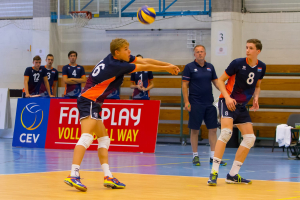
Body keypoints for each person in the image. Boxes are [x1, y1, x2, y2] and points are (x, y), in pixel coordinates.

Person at [64, 38, 180, 192]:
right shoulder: (116, 65)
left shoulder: (114, 58)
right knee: (87, 137)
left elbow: (144, 60)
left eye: (128, 48)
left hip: (94, 102)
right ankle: (73, 174)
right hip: (89, 100)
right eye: (126, 49)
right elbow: (144, 66)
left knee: (104, 139)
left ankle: (108, 176)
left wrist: (168, 64)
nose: (129, 51)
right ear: (117, 52)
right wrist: (166, 68)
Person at [207, 39, 266, 186]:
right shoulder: (237, 63)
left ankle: (233, 174)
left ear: (258, 51)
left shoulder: (261, 67)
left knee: (250, 138)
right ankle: (214, 172)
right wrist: (227, 97)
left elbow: (257, 85)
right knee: (226, 133)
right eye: (246, 47)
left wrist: (256, 98)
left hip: (241, 106)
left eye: (251, 48)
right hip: (227, 102)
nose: (247, 50)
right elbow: (220, 81)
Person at [182, 45, 226, 166]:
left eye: (202, 52)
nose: (200, 54)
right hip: (195, 103)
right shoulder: (189, 67)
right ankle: (195, 156)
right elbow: (185, 85)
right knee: (195, 130)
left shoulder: (210, 67)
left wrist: (225, 92)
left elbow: (216, 82)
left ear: (205, 53)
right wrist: (187, 102)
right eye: (197, 52)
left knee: (212, 129)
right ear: (194, 54)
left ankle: (213, 156)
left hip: (209, 103)